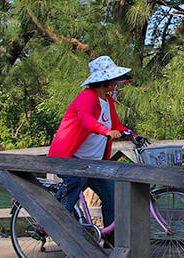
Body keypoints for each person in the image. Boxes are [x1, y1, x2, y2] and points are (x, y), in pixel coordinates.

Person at [47, 56, 135, 228]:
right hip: (70, 157)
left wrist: (133, 135)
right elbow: (85, 119)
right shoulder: (86, 96)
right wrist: (106, 131)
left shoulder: (108, 101)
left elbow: (116, 124)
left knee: (111, 192)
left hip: (92, 163)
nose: (116, 83)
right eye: (113, 80)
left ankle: (111, 236)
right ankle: (52, 223)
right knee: (76, 179)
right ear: (104, 81)